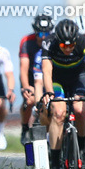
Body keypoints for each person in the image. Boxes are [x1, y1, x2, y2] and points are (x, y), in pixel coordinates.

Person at [40, 19, 85, 169]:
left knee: (79, 109)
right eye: (63, 46)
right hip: (57, 79)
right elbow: (47, 71)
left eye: (71, 45)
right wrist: (49, 92)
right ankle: (54, 160)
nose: (67, 49)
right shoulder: (49, 42)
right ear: (58, 41)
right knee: (59, 113)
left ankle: (82, 148)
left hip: (78, 78)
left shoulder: (84, 42)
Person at [18, 15, 53, 145]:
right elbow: (23, 67)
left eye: (46, 33)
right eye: (39, 33)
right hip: (31, 77)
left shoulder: (53, 41)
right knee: (30, 100)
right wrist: (26, 86)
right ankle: (25, 127)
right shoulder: (27, 41)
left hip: (49, 76)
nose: (43, 36)